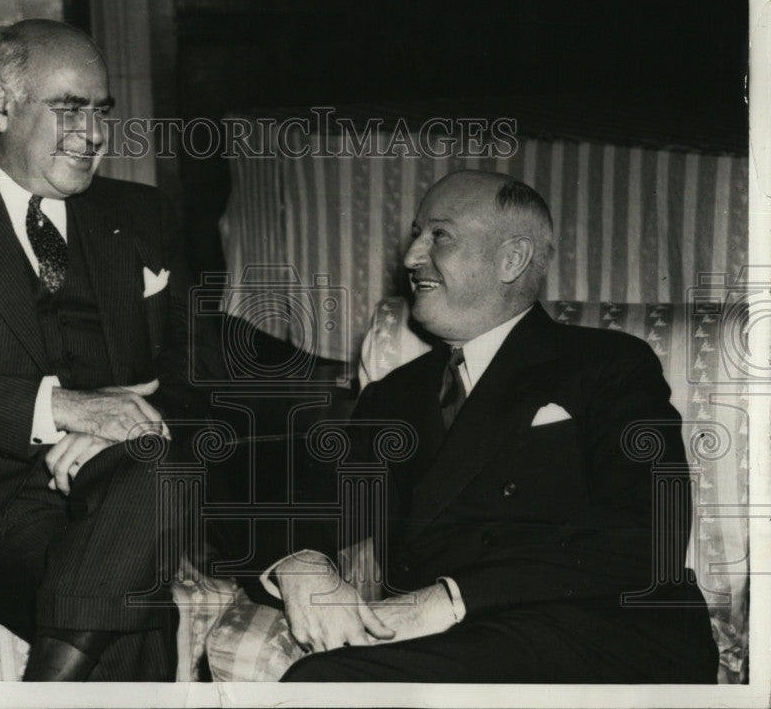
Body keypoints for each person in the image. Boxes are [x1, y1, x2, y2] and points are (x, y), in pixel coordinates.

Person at [262, 170, 718, 682]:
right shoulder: (394, 395)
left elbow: (648, 530)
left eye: (439, 235)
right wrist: (301, 562)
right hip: (465, 646)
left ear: (513, 258)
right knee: (321, 684)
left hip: (605, 635)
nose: (411, 257)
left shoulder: (609, 363)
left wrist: (451, 598)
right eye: (416, 235)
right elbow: (306, 502)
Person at [0, 19, 219, 681]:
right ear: (1, 107)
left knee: (160, 461)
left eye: (101, 111)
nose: (94, 134)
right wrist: (65, 407)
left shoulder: (145, 214)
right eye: (69, 110)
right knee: (138, 617)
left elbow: (195, 364)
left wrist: (139, 420)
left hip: (126, 482)